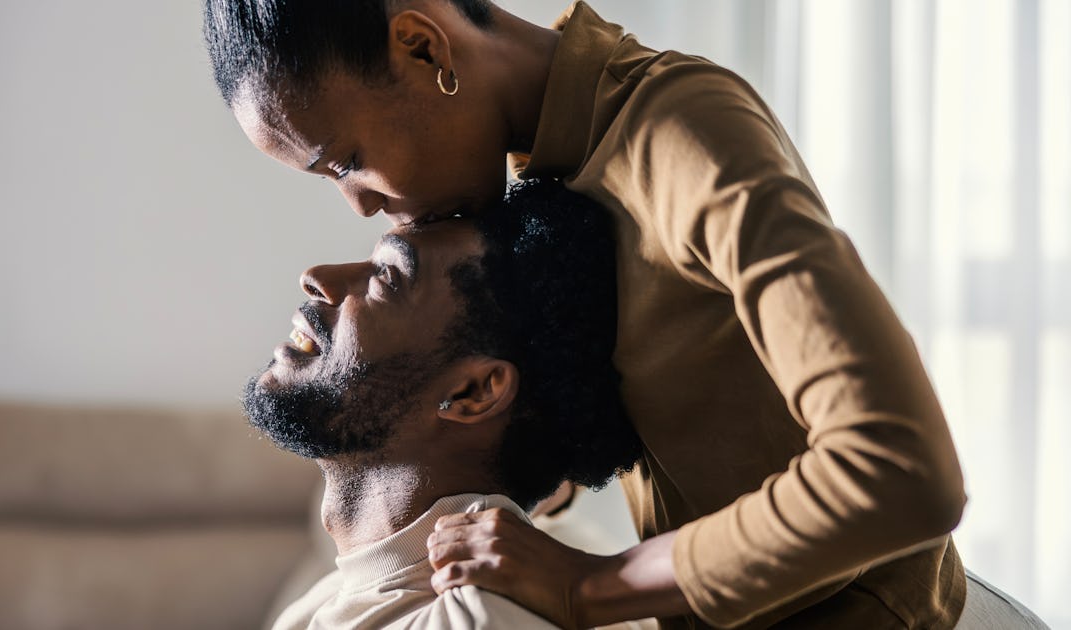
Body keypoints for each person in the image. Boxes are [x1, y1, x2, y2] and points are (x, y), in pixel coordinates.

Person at [204, 1, 968, 628]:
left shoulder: (683, 135)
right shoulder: (544, 173)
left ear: (423, 47)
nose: (361, 205)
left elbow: (902, 470)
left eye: (344, 161)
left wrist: (593, 585)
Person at [244, 180, 643, 629]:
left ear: (474, 393)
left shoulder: (480, 617)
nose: (317, 277)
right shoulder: (328, 600)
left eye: (387, 279)